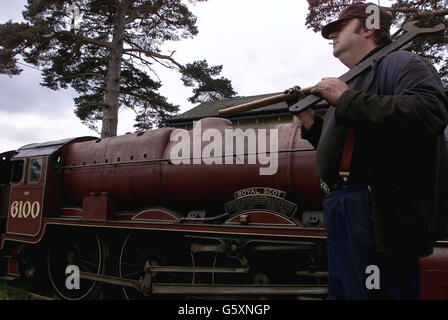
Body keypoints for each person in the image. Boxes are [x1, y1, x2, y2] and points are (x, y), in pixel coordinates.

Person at [288, 2, 448, 299]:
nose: (331, 36)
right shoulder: (352, 81)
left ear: (370, 26)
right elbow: (353, 142)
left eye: (340, 28)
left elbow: (430, 112)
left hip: (375, 208)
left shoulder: (403, 63)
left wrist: (347, 99)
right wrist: (312, 124)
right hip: (344, 207)